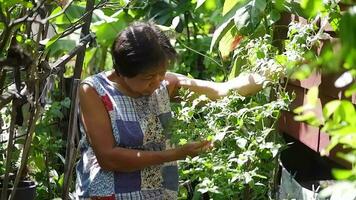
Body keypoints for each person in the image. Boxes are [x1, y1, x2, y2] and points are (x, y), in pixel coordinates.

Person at [75, 21, 266, 200]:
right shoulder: (94, 91)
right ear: (123, 71)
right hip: (109, 194)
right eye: (149, 76)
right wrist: (175, 154)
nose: (157, 81)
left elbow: (222, 91)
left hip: (154, 194)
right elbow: (109, 159)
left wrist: (274, 72)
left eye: (162, 73)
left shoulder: (163, 84)